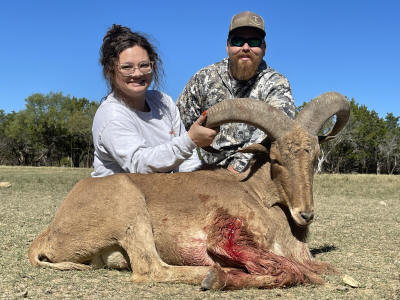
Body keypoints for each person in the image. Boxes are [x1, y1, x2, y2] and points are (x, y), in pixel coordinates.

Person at [176, 11, 295, 173]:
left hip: (254, 173)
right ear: (228, 46)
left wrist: (236, 168)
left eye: (254, 42)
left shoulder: (276, 83)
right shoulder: (203, 78)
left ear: (264, 48)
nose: (245, 48)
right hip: (207, 172)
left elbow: (279, 126)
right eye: (238, 41)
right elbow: (177, 125)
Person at [91, 25, 217, 177]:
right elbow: (140, 164)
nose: (137, 73)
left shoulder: (163, 101)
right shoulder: (111, 115)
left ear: (153, 65)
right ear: (111, 70)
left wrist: (196, 184)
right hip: (120, 195)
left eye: (144, 65)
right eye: (126, 67)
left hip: (164, 192)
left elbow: (188, 160)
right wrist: (190, 141)